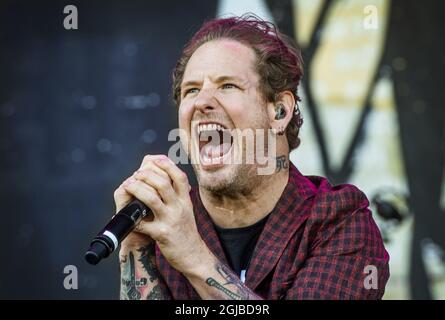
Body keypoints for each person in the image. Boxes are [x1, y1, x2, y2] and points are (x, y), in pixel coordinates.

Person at [115, 14, 390, 300]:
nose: (202, 102)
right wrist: (136, 247)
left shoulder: (340, 222)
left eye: (227, 85)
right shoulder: (167, 226)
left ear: (279, 111)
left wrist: (192, 256)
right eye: (192, 89)